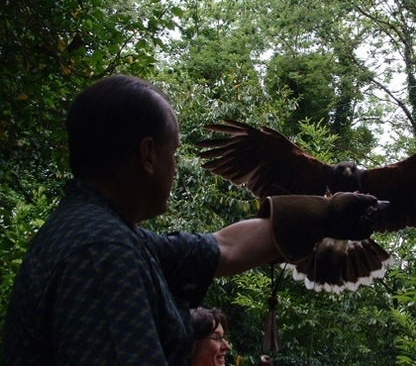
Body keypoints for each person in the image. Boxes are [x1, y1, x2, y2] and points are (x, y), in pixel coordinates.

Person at [2, 75, 380, 365]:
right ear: (148, 155)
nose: (177, 167)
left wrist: (327, 215)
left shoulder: (106, 232)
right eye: (174, 153)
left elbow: (224, 248)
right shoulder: (101, 255)